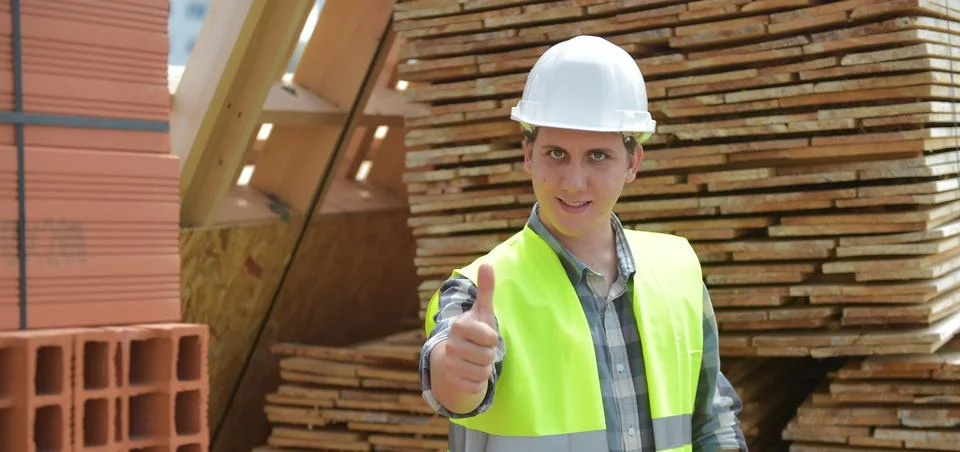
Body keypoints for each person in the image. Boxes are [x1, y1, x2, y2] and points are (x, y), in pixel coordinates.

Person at [419, 35, 748, 452]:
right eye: (556, 154)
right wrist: (458, 372)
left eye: (597, 156)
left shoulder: (678, 268)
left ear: (632, 163)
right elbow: (452, 386)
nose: (574, 182)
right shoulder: (477, 290)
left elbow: (711, 421)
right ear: (528, 155)